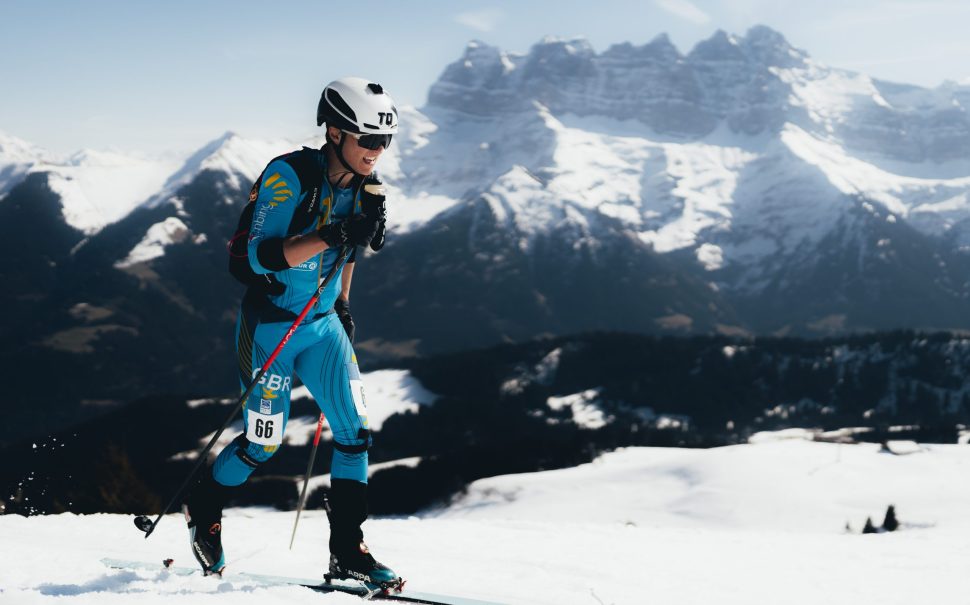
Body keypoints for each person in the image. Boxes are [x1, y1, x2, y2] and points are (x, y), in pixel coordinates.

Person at [181, 77, 400, 590]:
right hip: (270, 330)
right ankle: (205, 502)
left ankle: (348, 553)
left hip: (322, 328)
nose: (377, 151)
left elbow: (349, 251)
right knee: (264, 444)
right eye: (368, 139)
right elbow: (257, 257)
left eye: (384, 141)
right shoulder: (287, 176)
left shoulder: (366, 188)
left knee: (356, 435)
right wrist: (329, 233)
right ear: (334, 131)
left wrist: (343, 304)